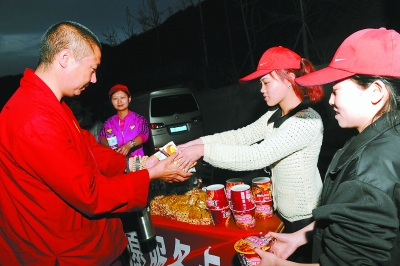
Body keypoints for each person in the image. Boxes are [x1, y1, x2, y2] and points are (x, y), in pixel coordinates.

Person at [0, 21, 191, 265]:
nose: (93, 79)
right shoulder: (34, 117)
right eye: (92, 69)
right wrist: (149, 175)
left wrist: (137, 163)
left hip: (91, 242)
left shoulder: (51, 104)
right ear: (65, 58)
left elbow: (87, 149)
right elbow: (89, 194)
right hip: (65, 252)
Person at [256, 28, 400, 266]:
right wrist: (300, 236)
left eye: (336, 91)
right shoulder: (387, 136)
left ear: (375, 92)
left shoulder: (368, 172)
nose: (330, 100)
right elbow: (356, 215)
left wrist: (276, 264)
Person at [177, 46, 325, 262]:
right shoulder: (275, 115)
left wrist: (202, 151)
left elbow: (257, 155)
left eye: (266, 82)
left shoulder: (306, 122)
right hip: (281, 215)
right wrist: (195, 142)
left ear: (288, 78)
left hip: (305, 221)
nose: (262, 89)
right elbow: (240, 136)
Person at [98, 84, 149, 156]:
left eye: (122, 97)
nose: (119, 101)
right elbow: (101, 137)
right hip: (117, 162)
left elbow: (144, 134)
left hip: (137, 162)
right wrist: (108, 146)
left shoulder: (139, 119)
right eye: (115, 99)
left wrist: (129, 145)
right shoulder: (108, 123)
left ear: (129, 98)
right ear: (111, 101)